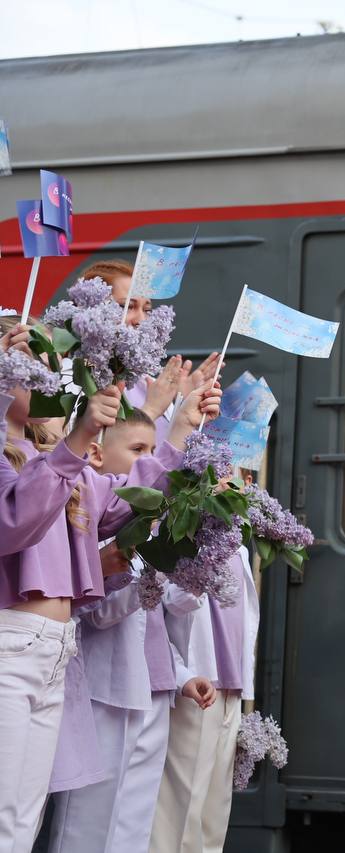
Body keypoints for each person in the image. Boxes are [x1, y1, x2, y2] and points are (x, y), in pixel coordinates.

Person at [0, 314, 221, 852]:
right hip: (8, 643)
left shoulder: (49, 456)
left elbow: (124, 501)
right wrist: (76, 440)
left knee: (22, 818)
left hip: (51, 651)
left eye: (47, 366)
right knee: (6, 810)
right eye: (29, 366)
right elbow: (13, 526)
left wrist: (181, 430)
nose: (47, 379)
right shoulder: (35, 456)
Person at [46, 410, 214, 853]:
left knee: (133, 822)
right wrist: (140, 565)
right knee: (87, 823)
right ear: (98, 456)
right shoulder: (95, 528)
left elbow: (170, 615)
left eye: (154, 452)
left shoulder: (150, 529)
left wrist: (181, 675)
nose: (149, 461)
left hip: (152, 691)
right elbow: (97, 615)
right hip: (105, 692)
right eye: (138, 450)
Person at [149, 510, 257, 853]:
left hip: (230, 688)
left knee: (214, 811)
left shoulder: (238, 546)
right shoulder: (177, 536)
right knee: (181, 809)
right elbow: (172, 606)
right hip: (197, 683)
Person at [82, 258, 219, 442]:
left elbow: (162, 460)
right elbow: (88, 459)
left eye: (146, 310)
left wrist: (181, 404)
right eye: (128, 306)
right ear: (92, 308)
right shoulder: (73, 379)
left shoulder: (146, 383)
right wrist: (151, 409)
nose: (141, 320)